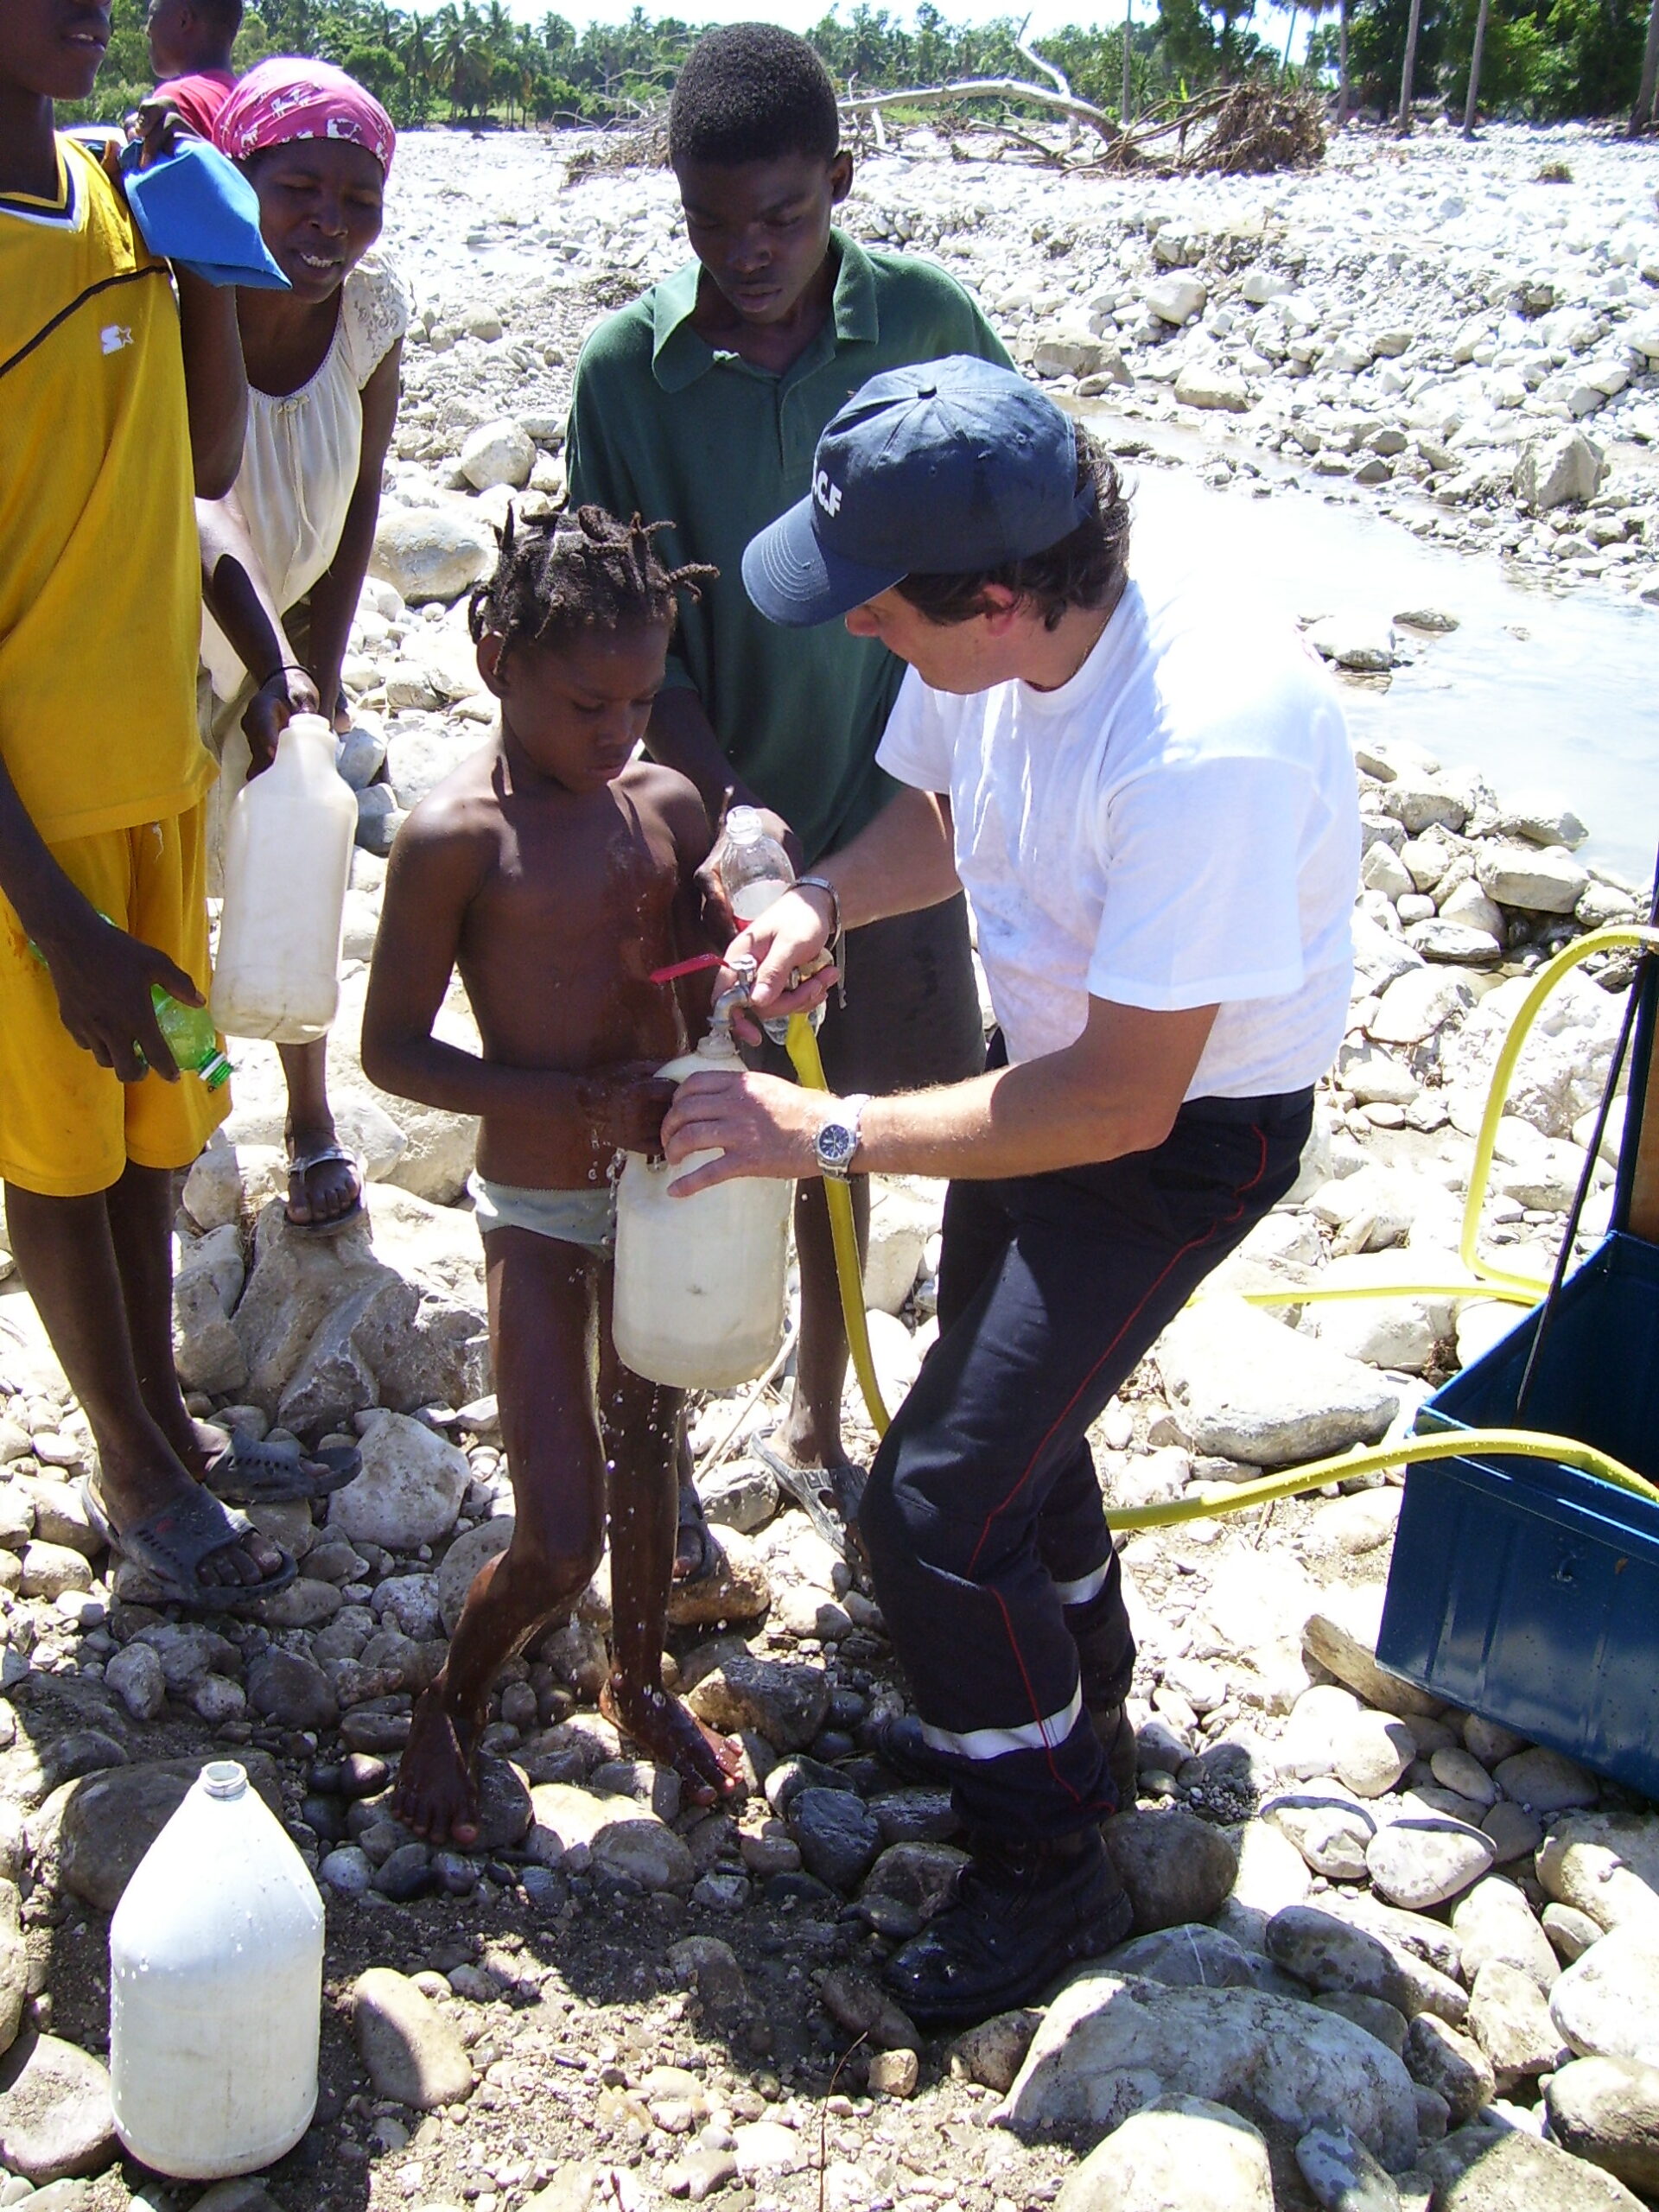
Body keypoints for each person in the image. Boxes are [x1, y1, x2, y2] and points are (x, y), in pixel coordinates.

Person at [661, 357, 1360, 2024]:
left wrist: (819, 1134)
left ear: (992, 597)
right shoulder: (996, 637)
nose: (851, 633)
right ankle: (1081, 1712)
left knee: (932, 1509)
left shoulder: (1205, 739)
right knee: (1015, 1442)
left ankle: (1047, 1865)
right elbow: (943, 814)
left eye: (876, 609)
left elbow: (1120, 1104)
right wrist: (825, 897)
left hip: (1185, 1123)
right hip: (1047, 1045)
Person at [565, 22, 1010, 1580]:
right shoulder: (632, 371)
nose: (748, 257)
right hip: (702, 832)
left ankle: (829, 1421)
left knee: (873, 1132)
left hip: (907, 833)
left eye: (782, 219)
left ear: (839, 179)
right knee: (685, 1146)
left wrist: (879, 834)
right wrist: (731, 822)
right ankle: (664, 1471)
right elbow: (630, 633)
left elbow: (996, 569)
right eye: (710, 226)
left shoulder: (931, 321)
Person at [361, 508, 742, 1845]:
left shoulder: (664, 806)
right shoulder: (456, 838)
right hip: (537, 1202)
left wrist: (743, 937)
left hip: (654, 1199)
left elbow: (707, 969)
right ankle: (449, 1701)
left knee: (649, 1450)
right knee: (560, 1529)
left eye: (642, 700)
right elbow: (394, 1052)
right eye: (588, 702)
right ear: (493, 660)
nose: (620, 733)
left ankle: (636, 1682)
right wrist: (577, 1098)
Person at [0, 0, 296, 1605]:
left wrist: (196, 255)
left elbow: (204, 457)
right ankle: (124, 1453)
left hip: (158, 787)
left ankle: (164, 1402)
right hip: (26, 840)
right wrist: (55, 924)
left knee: (163, 1098)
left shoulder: (114, 193)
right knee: (53, 1141)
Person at [194, 57, 406, 1237]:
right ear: (242, 179)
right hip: (175, 644)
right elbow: (191, 498)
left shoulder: (370, 316)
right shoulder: (194, 298)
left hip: (289, 656)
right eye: (299, 187)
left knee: (300, 879)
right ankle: (198, 1090)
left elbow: (363, 489)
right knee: (169, 900)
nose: (330, 222)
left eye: (357, 199)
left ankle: (311, 1116)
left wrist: (319, 668)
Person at [144, 0, 240, 137]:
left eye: (152, 15)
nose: (147, 30)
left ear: (183, 20)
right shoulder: (247, 102)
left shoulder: (178, 99)